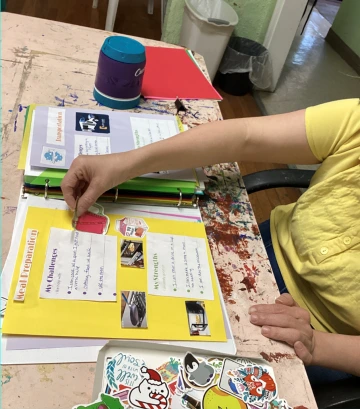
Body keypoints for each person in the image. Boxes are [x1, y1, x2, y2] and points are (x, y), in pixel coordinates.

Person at [61, 99, 360, 381]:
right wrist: (125, 163)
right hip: (262, 250)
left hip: (322, 337)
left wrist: (318, 344)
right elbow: (245, 136)